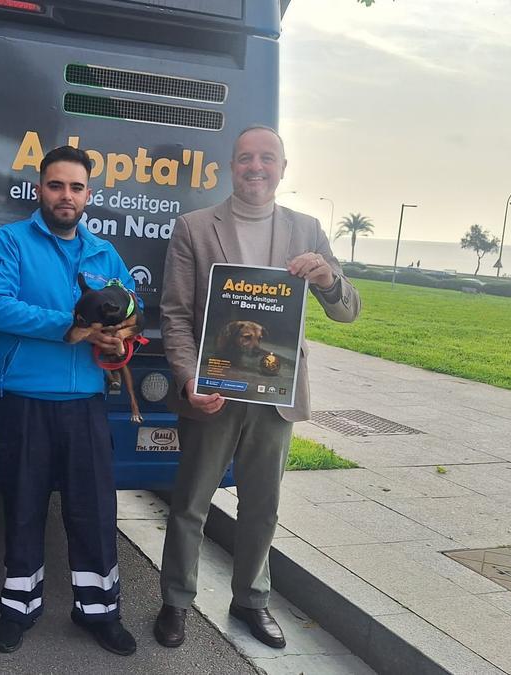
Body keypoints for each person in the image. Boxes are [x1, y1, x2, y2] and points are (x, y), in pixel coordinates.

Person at [154, 126, 360, 650]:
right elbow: (175, 315)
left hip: (275, 398)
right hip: (212, 392)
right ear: (232, 165)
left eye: (267, 158)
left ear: (283, 168)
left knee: (262, 507)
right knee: (190, 504)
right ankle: (176, 602)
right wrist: (188, 377)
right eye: (246, 157)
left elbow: (348, 312)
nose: (256, 167)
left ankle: (251, 600)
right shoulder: (195, 227)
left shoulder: (308, 229)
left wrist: (327, 279)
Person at [0, 145, 139, 657]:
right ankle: (17, 609)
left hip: (85, 402)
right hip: (23, 399)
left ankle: (100, 611)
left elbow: (131, 306)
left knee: (94, 512)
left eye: (75, 187)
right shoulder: (10, 241)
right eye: (56, 185)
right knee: (24, 510)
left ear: (88, 195)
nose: (65, 196)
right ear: (39, 189)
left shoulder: (104, 253)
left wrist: (120, 335)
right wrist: (72, 327)